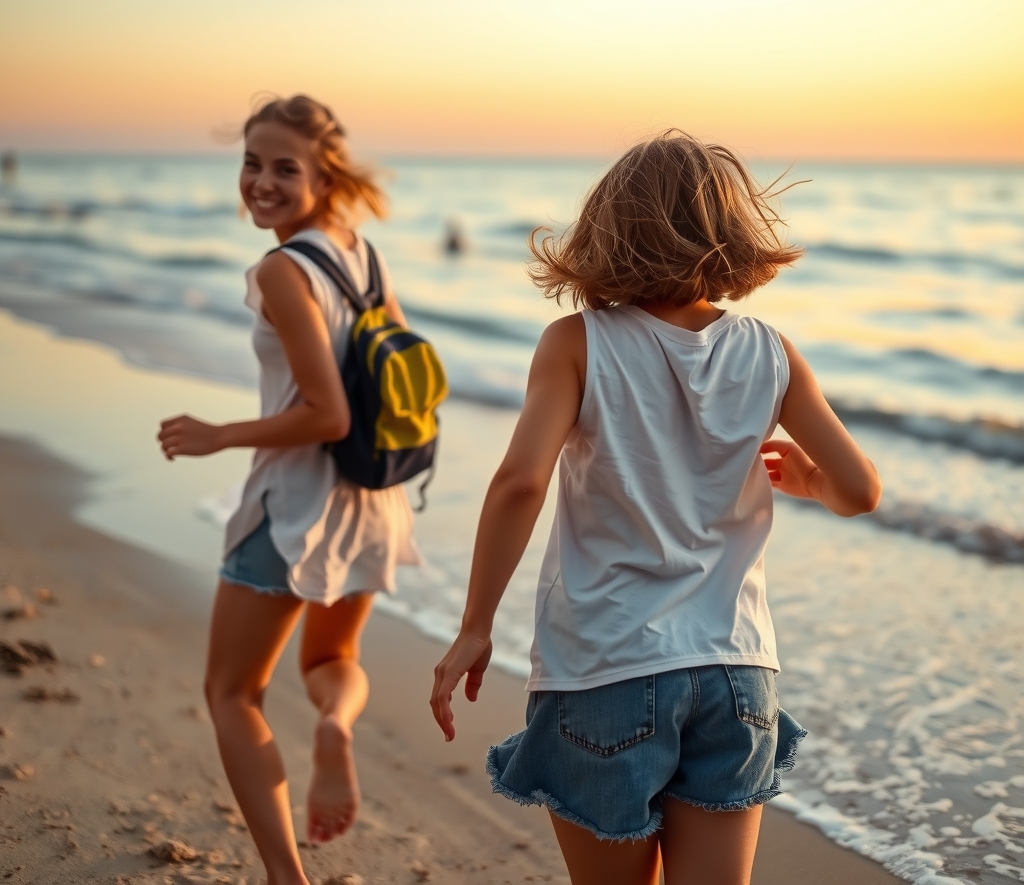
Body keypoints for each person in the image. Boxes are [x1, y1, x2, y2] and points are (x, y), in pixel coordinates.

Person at [429, 132, 881, 885]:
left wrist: (475, 624)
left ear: (608, 230)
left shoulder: (576, 343)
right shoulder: (770, 350)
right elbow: (861, 491)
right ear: (730, 236)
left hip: (607, 664)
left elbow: (518, 483)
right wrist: (809, 480)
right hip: (737, 671)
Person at [158, 95, 420, 885]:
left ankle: (285, 876)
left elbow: (327, 414)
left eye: (283, 168)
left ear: (322, 175)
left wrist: (220, 434)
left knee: (232, 691)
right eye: (251, 163)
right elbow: (405, 372)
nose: (260, 182)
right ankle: (335, 725)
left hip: (294, 509)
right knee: (332, 656)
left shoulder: (281, 269)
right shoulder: (360, 253)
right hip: (371, 503)